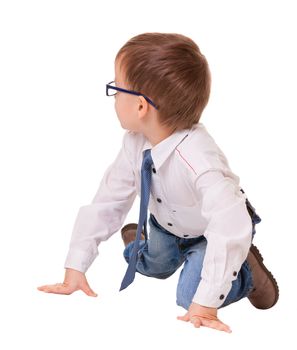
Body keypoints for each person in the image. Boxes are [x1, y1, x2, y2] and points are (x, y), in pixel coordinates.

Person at [37, 32, 279, 333]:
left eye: (116, 89)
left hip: (214, 231)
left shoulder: (199, 160)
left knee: (189, 297)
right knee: (154, 267)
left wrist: (206, 303)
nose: (114, 98)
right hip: (166, 225)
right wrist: (76, 266)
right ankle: (147, 250)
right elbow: (108, 201)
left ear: (141, 107)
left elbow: (229, 224)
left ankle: (246, 271)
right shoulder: (135, 144)